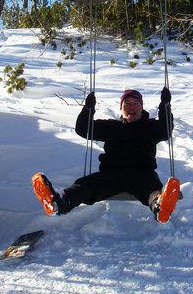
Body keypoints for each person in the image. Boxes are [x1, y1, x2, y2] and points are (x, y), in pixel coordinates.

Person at [32, 87, 180, 223]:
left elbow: (165, 130)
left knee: (151, 188)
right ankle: (61, 202)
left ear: (142, 108)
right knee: (86, 185)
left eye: (136, 103)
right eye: (127, 103)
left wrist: (165, 106)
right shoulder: (111, 127)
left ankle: (159, 206)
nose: (131, 107)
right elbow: (83, 129)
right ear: (121, 109)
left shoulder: (150, 127)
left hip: (142, 174)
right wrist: (88, 109)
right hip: (111, 175)